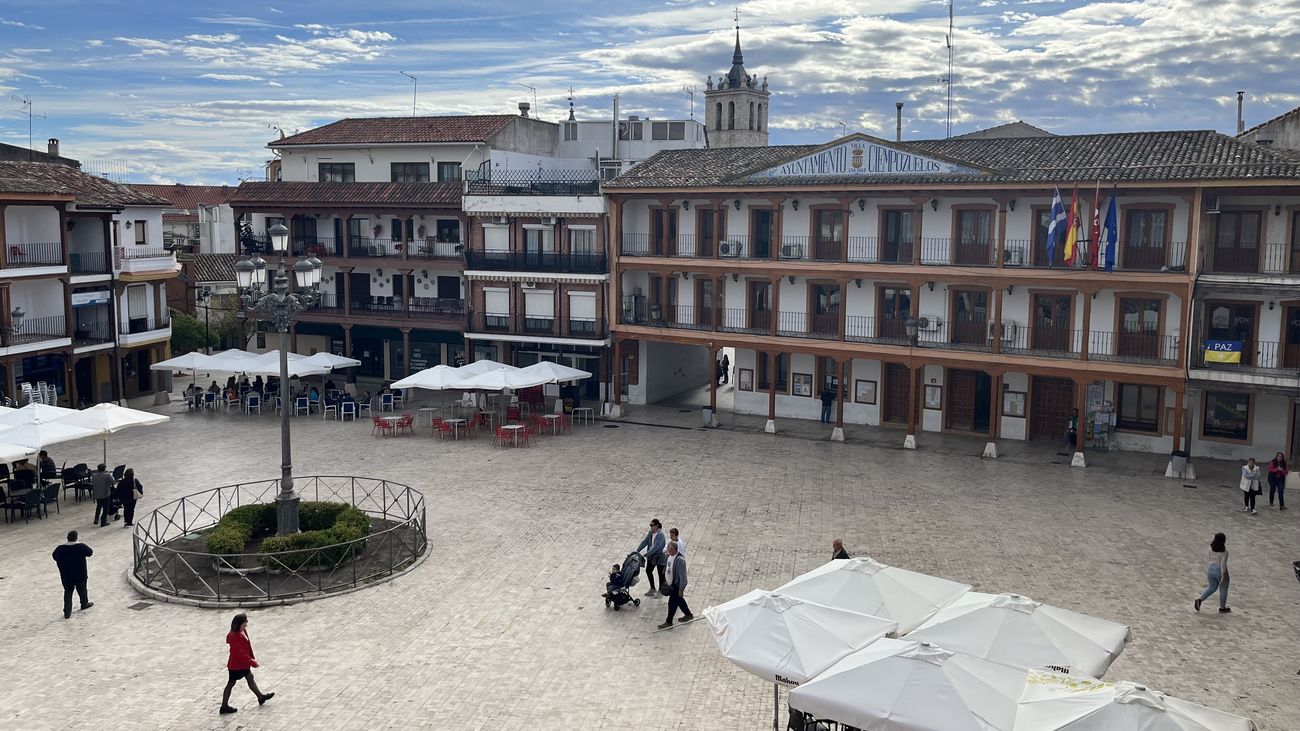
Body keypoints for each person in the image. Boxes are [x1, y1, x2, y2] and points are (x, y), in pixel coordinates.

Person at [220, 613, 274, 714]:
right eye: (245, 621)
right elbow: (239, 653)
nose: (247, 623)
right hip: (236, 665)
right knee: (231, 683)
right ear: (241, 623)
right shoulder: (234, 636)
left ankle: (260, 697)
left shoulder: (242, 631)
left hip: (241, 664)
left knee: (250, 677)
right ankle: (224, 706)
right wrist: (252, 662)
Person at [52, 530, 94, 619]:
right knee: (82, 589)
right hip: (80, 574)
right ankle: (84, 603)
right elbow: (90, 552)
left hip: (66, 575)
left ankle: (67, 611)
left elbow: (54, 556)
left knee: (68, 592)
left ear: (67, 538)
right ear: (76, 538)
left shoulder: (60, 549)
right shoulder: (80, 547)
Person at [657, 542, 694, 629]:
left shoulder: (680, 560)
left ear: (672, 549)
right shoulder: (669, 556)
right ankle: (688, 614)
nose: (667, 550)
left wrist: (681, 589)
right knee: (679, 600)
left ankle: (669, 621)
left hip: (676, 586)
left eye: (668, 548)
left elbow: (683, 577)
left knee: (672, 603)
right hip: (670, 584)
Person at [1194, 532, 1230, 613]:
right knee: (1223, 589)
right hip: (1219, 570)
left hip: (1210, 569)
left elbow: (1209, 558)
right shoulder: (1224, 552)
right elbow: (1223, 565)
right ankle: (1222, 607)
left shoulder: (1210, 548)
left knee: (1212, 587)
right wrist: (1223, 576)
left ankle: (1200, 599)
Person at [635, 519, 667, 596]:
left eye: (652, 525)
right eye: (650, 525)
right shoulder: (651, 533)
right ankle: (652, 588)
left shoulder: (660, 535)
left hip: (660, 556)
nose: (651, 527)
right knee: (648, 571)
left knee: (661, 574)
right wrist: (637, 551)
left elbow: (655, 547)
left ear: (656, 526)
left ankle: (660, 590)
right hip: (652, 556)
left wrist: (646, 554)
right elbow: (645, 542)